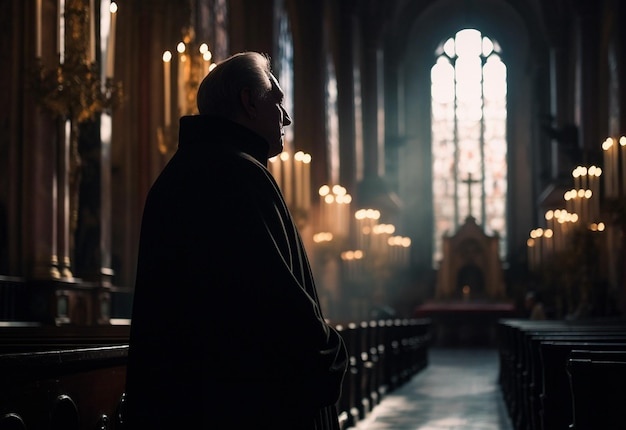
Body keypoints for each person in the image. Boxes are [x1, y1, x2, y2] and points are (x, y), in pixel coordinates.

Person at [124, 52, 348, 429]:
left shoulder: (177, 174)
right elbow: (274, 306)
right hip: (246, 409)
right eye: (277, 101)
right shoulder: (238, 174)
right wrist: (331, 352)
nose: (287, 117)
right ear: (248, 101)